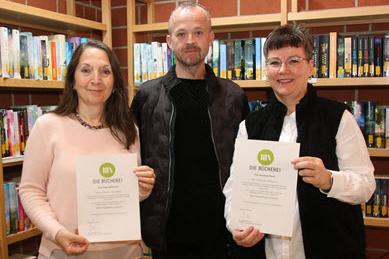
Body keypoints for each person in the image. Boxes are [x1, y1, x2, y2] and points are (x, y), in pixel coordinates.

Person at [223, 23, 376, 259]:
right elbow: (235, 188)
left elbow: (365, 185)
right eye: (275, 62)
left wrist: (329, 179)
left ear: (311, 66)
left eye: (294, 60)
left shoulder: (338, 118)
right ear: (267, 69)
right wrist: (236, 226)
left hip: (329, 249)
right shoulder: (250, 125)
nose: (283, 70)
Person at [131, 2, 265, 258]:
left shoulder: (234, 96)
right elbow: (130, 158)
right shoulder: (146, 96)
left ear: (211, 38)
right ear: (169, 41)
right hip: (166, 230)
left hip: (220, 230)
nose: (190, 40)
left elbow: (248, 164)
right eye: (181, 34)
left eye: (198, 32)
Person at [19, 40, 155, 259]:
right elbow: (30, 191)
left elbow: (125, 195)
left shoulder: (129, 130)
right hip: (63, 251)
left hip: (126, 252)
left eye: (105, 71)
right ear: (72, 79)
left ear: (115, 82)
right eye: (86, 70)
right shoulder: (48, 126)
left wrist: (142, 189)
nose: (96, 80)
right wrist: (58, 232)